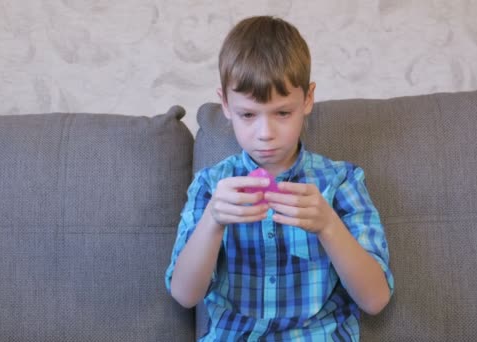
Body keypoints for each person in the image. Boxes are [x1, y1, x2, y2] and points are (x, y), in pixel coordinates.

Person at [165, 15, 394, 341]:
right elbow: (185, 295)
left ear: (308, 100)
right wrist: (212, 221)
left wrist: (328, 225)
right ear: (226, 105)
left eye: (283, 113)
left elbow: (375, 300)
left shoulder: (341, 181)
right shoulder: (211, 186)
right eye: (248, 115)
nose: (265, 134)